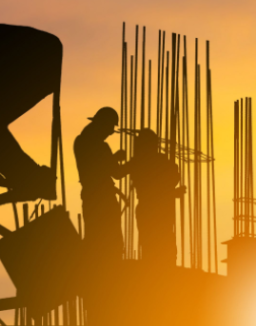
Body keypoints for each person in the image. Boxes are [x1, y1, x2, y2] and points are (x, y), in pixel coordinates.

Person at [124, 129, 185, 268]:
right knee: (162, 244)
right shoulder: (159, 160)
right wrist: (172, 192)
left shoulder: (138, 162)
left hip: (150, 209)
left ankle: (156, 273)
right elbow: (173, 178)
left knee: (151, 244)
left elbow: (118, 173)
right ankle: (163, 273)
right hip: (159, 210)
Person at [74, 107, 127, 264]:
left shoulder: (80, 141)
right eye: (110, 128)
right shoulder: (100, 147)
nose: (111, 133)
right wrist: (132, 163)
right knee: (113, 243)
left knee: (93, 239)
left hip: (90, 197)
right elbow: (115, 173)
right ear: (102, 125)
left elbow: (95, 173)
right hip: (104, 201)